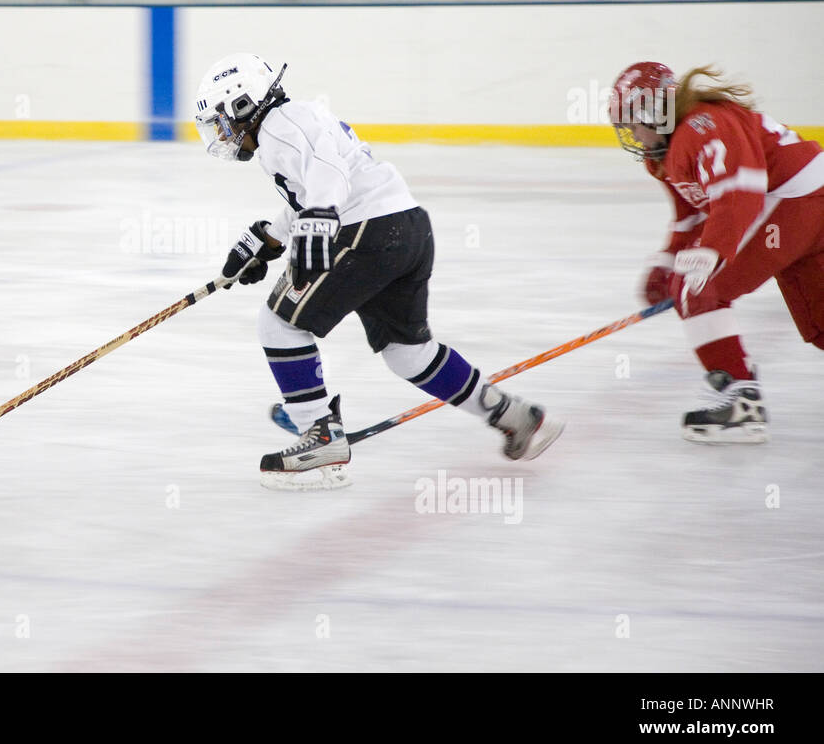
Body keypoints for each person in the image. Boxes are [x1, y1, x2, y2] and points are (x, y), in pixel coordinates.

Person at [194, 53, 564, 490]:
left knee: (278, 323)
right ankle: (514, 415)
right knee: (408, 353)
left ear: (243, 105)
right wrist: (265, 238)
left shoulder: (280, 125)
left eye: (221, 120)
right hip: (404, 227)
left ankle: (319, 434)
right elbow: (321, 183)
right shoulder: (296, 123)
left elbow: (328, 181)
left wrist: (316, 220)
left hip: (365, 233)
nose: (221, 133)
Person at [608, 62, 824, 444]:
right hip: (803, 203)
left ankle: (740, 401)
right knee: (819, 320)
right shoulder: (665, 150)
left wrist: (710, 254)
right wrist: (667, 259)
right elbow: (693, 213)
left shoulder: (704, 126)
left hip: (795, 202)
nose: (634, 135)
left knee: (699, 287)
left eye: (634, 122)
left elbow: (741, 192)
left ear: (656, 111)